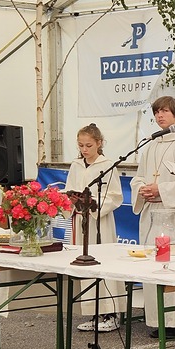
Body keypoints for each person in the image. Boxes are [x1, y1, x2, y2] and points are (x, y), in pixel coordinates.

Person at [130, 96, 175, 339]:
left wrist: (162, 190)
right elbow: (138, 177)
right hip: (151, 214)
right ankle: (159, 319)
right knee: (153, 265)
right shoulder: (151, 145)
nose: (159, 116)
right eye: (157, 112)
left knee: (172, 265)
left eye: (165, 111)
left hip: (173, 215)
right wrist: (142, 189)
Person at [65, 123, 125, 332]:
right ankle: (94, 312)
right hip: (81, 219)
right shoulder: (76, 164)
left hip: (99, 221)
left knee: (103, 261)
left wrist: (95, 206)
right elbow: (68, 189)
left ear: (99, 143)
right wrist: (71, 200)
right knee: (84, 264)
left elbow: (116, 195)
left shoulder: (107, 165)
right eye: (81, 145)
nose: (84, 149)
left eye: (88, 145)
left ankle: (111, 312)